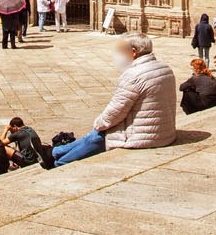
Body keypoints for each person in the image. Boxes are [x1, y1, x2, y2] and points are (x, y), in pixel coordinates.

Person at [52, 33, 177, 165]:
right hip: (164, 133)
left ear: (133, 52)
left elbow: (114, 112)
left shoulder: (133, 75)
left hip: (142, 137)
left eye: (120, 51)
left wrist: (98, 124)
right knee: (95, 135)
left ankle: (58, 162)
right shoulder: (164, 68)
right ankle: (55, 152)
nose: (117, 55)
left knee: (98, 134)